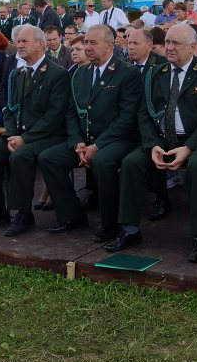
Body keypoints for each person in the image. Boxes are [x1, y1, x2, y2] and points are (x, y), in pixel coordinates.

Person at [112, 24, 197, 262]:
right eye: (167, 42)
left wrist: (189, 147)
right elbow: (144, 113)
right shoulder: (158, 73)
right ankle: (130, 229)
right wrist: (152, 144)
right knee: (132, 162)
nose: (169, 47)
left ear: (193, 47)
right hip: (164, 139)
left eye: (176, 43)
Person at [39, 25, 141, 239]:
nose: (87, 47)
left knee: (102, 161)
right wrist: (77, 142)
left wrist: (97, 146)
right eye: (86, 43)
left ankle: (110, 223)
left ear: (110, 46)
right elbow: (71, 113)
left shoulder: (127, 73)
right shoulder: (80, 74)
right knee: (49, 157)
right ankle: (71, 215)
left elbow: (127, 118)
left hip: (117, 140)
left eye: (93, 43)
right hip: (85, 140)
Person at [0, 25, 70, 236]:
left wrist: (24, 138)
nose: (19, 44)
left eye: (25, 41)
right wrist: (11, 134)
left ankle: (23, 213)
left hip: (47, 136)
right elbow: (9, 108)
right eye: (18, 41)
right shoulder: (18, 74)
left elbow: (54, 116)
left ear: (41, 44)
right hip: (17, 134)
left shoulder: (57, 74)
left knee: (21, 156)